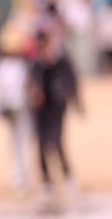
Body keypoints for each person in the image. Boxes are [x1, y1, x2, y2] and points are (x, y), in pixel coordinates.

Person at [29, 26, 83, 206]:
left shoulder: (60, 61)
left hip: (57, 108)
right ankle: (47, 182)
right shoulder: (36, 64)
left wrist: (77, 104)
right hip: (40, 111)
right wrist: (34, 94)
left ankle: (68, 178)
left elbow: (72, 82)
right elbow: (29, 85)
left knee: (57, 142)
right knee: (41, 145)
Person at [0, 25, 32, 194]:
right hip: (10, 108)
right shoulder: (2, 66)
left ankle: (23, 176)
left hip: (23, 108)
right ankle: (19, 176)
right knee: (16, 142)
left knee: (22, 142)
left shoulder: (24, 65)